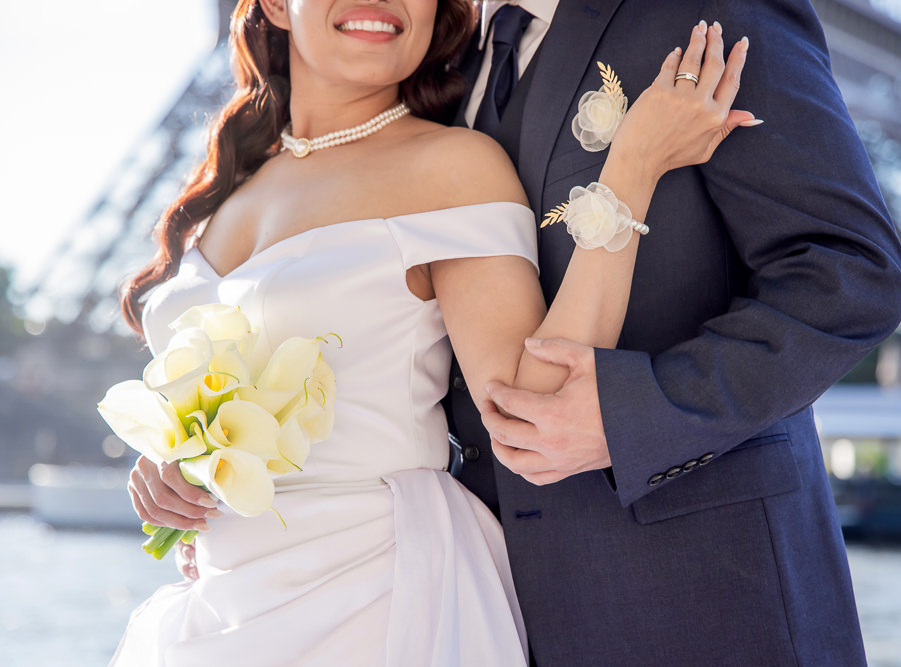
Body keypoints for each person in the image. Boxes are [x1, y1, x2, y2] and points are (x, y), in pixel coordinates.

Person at [114, 0, 755, 664]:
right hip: (222, 605)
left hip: (374, 598)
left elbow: (529, 406)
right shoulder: (224, 192)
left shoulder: (451, 167)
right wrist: (174, 461)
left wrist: (631, 171)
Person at [441, 0, 901, 665]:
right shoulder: (438, 63)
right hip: (485, 614)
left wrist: (634, 414)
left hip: (708, 603)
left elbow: (851, 273)